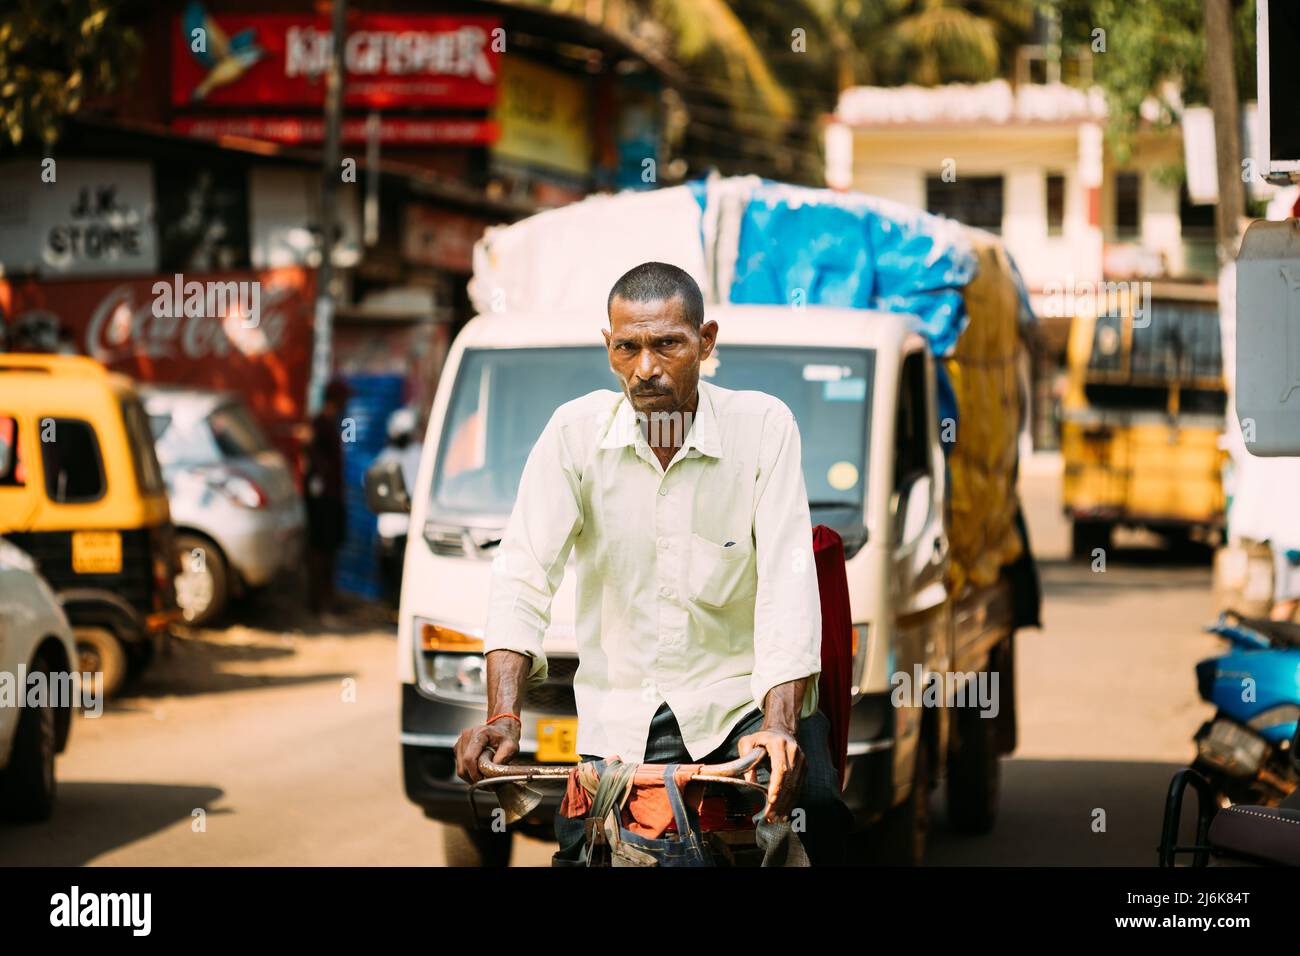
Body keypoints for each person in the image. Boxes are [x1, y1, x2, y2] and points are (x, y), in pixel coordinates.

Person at [453, 261, 852, 865]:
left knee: (819, 812)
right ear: (608, 348)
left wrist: (779, 725)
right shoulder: (573, 434)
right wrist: (503, 714)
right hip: (615, 722)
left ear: (706, 341)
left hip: (737, 708)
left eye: (668, 344)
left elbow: (786, 586)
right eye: (628, 347)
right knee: (579, 855)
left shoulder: (764, 428)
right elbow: (523, 575)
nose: (646, 368)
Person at [303, 377, 350, 619]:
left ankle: (325, 599)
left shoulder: (333, 422)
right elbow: (309, 449)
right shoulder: (321, 423)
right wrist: (319, 478)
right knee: (321, 549)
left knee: (329, 549)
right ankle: (319, 601)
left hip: (331, 495)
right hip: (323, 498)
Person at [372, 407, 422, 607]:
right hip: (388, 526)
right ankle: (390, 608)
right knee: (389, 573)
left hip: (409, 526)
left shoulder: (419, 454)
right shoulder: (387, 455)